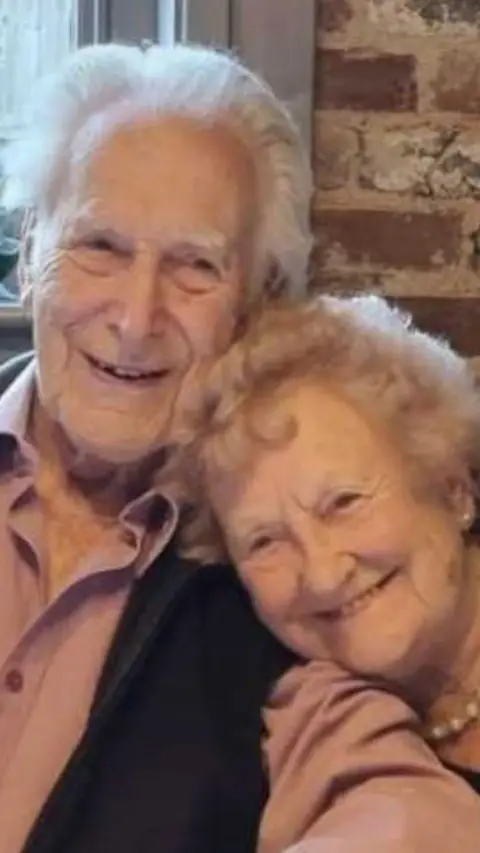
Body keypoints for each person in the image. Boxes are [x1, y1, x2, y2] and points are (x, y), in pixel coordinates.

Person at [0, 40, 477, 853]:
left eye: (196, 266)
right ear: (30, 244)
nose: (136, 318)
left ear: (257, 301)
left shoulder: (262, 568)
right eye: (101, 246)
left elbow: (400, 805)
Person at [181, 292, 480, 852]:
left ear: (452, 489)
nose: (322, 574)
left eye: (344, 502)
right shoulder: (286, 723)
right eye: (265, 541)